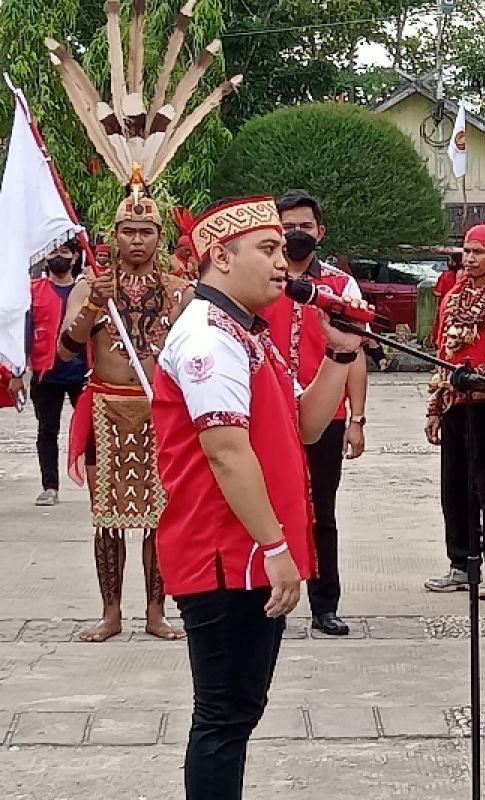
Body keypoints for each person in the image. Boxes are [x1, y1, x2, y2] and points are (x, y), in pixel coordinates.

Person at [152, 195, 364, 800]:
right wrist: (275, 546)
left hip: (246, 554)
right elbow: (225, 451)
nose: (282, 264)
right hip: (224, 554)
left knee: (237, 714)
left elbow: (303, 425)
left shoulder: (249, 332)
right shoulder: (206, 338)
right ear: (219, 255)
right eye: (267, 250)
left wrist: (342, 351)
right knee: (222, 717)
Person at [61, 184, 192, 643]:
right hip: (105, 408)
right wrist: (95, 304)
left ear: (160, 236)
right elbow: (65, 349)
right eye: (128, 231)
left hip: (160, 412)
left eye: (146, 231)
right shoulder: (89, 285)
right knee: (107, 518)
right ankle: (112, 613)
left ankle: (156, 613)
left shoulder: (180, 290)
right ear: (113, 234)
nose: (136, 240)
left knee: (159, 516)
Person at [260, 190, 366, 636]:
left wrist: (357, 419)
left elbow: (355, 353)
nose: (296, 234)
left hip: (327, 415)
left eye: (305, 226)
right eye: (287, 226)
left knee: (321, 510)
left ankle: (325, 604)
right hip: (269, 412)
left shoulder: (341, 286)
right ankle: (269, 599)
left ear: (320, 232)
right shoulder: (263, 281)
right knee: (267, 506)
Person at [424, 224, 485, 599]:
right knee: (455, 489)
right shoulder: (451, 298)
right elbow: (441, 357)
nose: (469, 258)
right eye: (466, 251)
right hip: (455, 404)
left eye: (478, 251)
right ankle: (460, 563)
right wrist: (434, 408)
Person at [21, 241, 87, 506]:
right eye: (53, 252)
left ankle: (98, 483)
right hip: (46, 373)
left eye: (64, 252)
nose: (58, 257)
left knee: (92, 432)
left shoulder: (87, 291)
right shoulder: (33, 291)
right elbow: (24, 331)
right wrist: (17, 371)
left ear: (74, 257)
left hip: (84, 373)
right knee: (47, 430)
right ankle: (50, 487)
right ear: (45, 258)